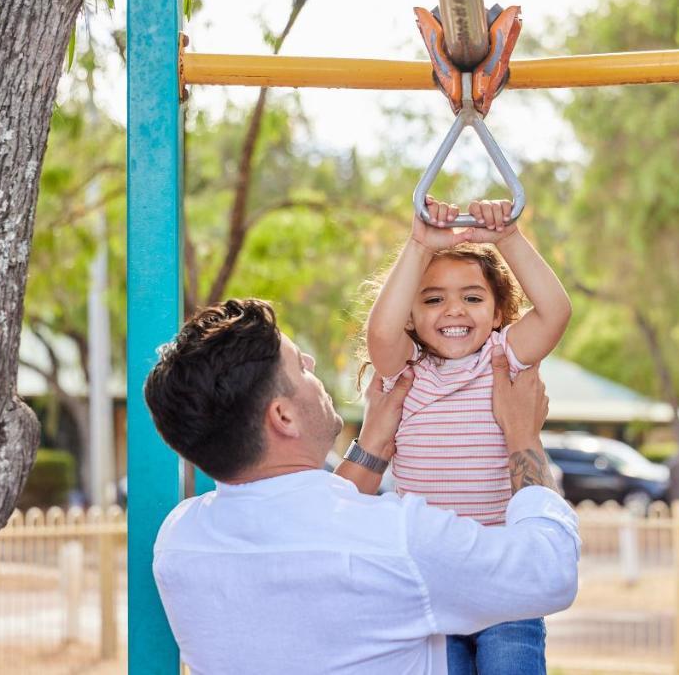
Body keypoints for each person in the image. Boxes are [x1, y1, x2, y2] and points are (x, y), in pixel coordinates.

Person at [144, 298, 579, 674]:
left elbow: (308, 525)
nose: (311, 363)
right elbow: (550, 568)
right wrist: (522, 436)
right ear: (283, 417)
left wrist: (373, 446)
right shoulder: (399, 541)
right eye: (299, 365)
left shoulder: (179, 543)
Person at [362, 196, 572, 674]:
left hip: (505, 579)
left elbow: (556, 311)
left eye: (472, 298)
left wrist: (508, 239)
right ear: (411, 316)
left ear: (498, 313)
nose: (453, 309)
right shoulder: (406, 371)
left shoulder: (503, 357)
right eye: (433, 298)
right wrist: (419, 245)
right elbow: (379, 331)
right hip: (432, 582)